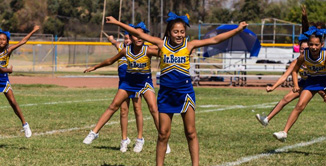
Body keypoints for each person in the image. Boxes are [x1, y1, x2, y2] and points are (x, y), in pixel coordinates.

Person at [105, 12, 247, 165]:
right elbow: (136, 33)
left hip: (185, 93)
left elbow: (215, 39)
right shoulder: (161, 44)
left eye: (182, 32)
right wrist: (117, 23)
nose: (179, 35)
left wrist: (237, 30)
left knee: (191, 133)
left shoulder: (189, 45)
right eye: (176, 31)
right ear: (169, 32)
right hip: (166, 94)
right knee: (163, 134)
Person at [82, 22, 170, 153]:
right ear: (131, 37)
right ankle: (94, 132)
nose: (138, 38)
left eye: (141, 35)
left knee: (153, 108)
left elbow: (165, 52)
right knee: (113, 106)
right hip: (129, 83)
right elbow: (110, 61)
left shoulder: (148, 50)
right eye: (135, 35)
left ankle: (164, 140)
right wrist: (95, 67)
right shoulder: (126, 50)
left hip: (144, 83)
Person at [255, 33, 326, 127]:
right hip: (305, 84)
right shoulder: (297, 61)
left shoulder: (319, 56)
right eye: (302, 49)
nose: (304, 50)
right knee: (286, 98)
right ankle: (267, 119)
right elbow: (285, 76)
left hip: (318, 81)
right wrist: (273, 87)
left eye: (305, 48)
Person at [273, 28, 326, 142]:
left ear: (322, 44)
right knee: (300, 105)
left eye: (316, 45)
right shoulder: (304, 55)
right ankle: (284, 132)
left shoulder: (325, 55)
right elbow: (294, 70)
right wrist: (296, 85)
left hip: (324, 81)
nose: (313, 47)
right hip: (312, 81)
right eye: (311, 44)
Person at [0, 25, 40, 138]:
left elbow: (23, 41)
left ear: (7, 41)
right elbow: (1, 69)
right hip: (4, 73)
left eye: (3, 39)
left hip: (3, 80)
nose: (1, 41)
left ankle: (25, 124)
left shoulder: (8, 50)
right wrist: (9, 70)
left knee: (13, 102)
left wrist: (33, 31)